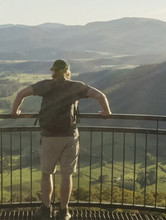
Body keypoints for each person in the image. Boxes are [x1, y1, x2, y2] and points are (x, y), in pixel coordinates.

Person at [11, 59, 112, 220]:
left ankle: (45, 208)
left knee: (47, 173)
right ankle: (64, 211)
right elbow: (100, 95)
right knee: (67, 175)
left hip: (49, 136)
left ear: (54, 71)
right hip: (69, 136)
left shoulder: (46, 85)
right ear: (67, 72)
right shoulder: (76, 86)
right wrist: (106, 112)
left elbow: (21, 93)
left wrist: (15, 112)